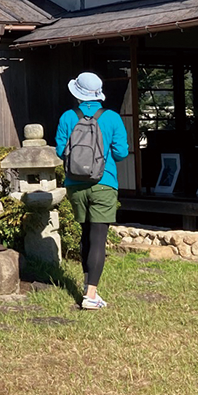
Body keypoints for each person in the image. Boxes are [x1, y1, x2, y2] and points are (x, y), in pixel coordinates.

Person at [55, 71, 129, 310]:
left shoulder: (68, 117)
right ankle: (91, 295)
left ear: (77, 93)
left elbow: (59, 151)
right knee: (98, 238)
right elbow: (121, 153)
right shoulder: (112, 118)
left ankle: (88, 286)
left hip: (75, 185)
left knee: (85, 233)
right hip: (104, 183)